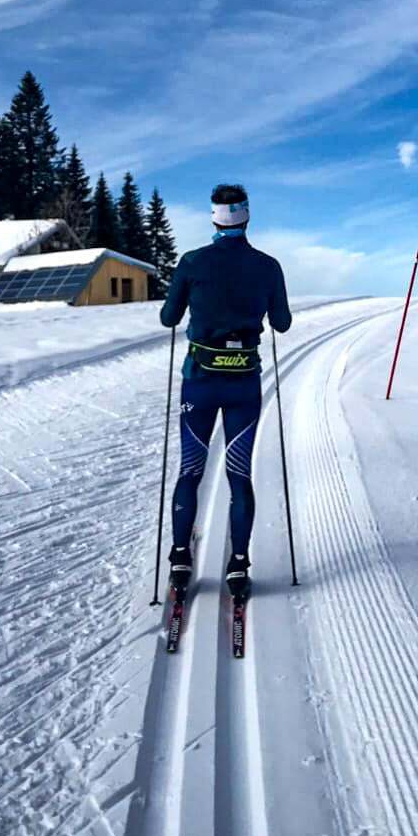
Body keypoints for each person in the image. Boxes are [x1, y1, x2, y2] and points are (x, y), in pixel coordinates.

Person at [159, 183, 291, 599]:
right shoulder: (268, 266)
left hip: (200, 381)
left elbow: (168, 318)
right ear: (247, 217)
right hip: (243, 385)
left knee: (190, 470)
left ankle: (181, 557)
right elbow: (283, 323)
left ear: (214, 218)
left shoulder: (193, 261)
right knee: (238, 473)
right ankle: (238, 566)